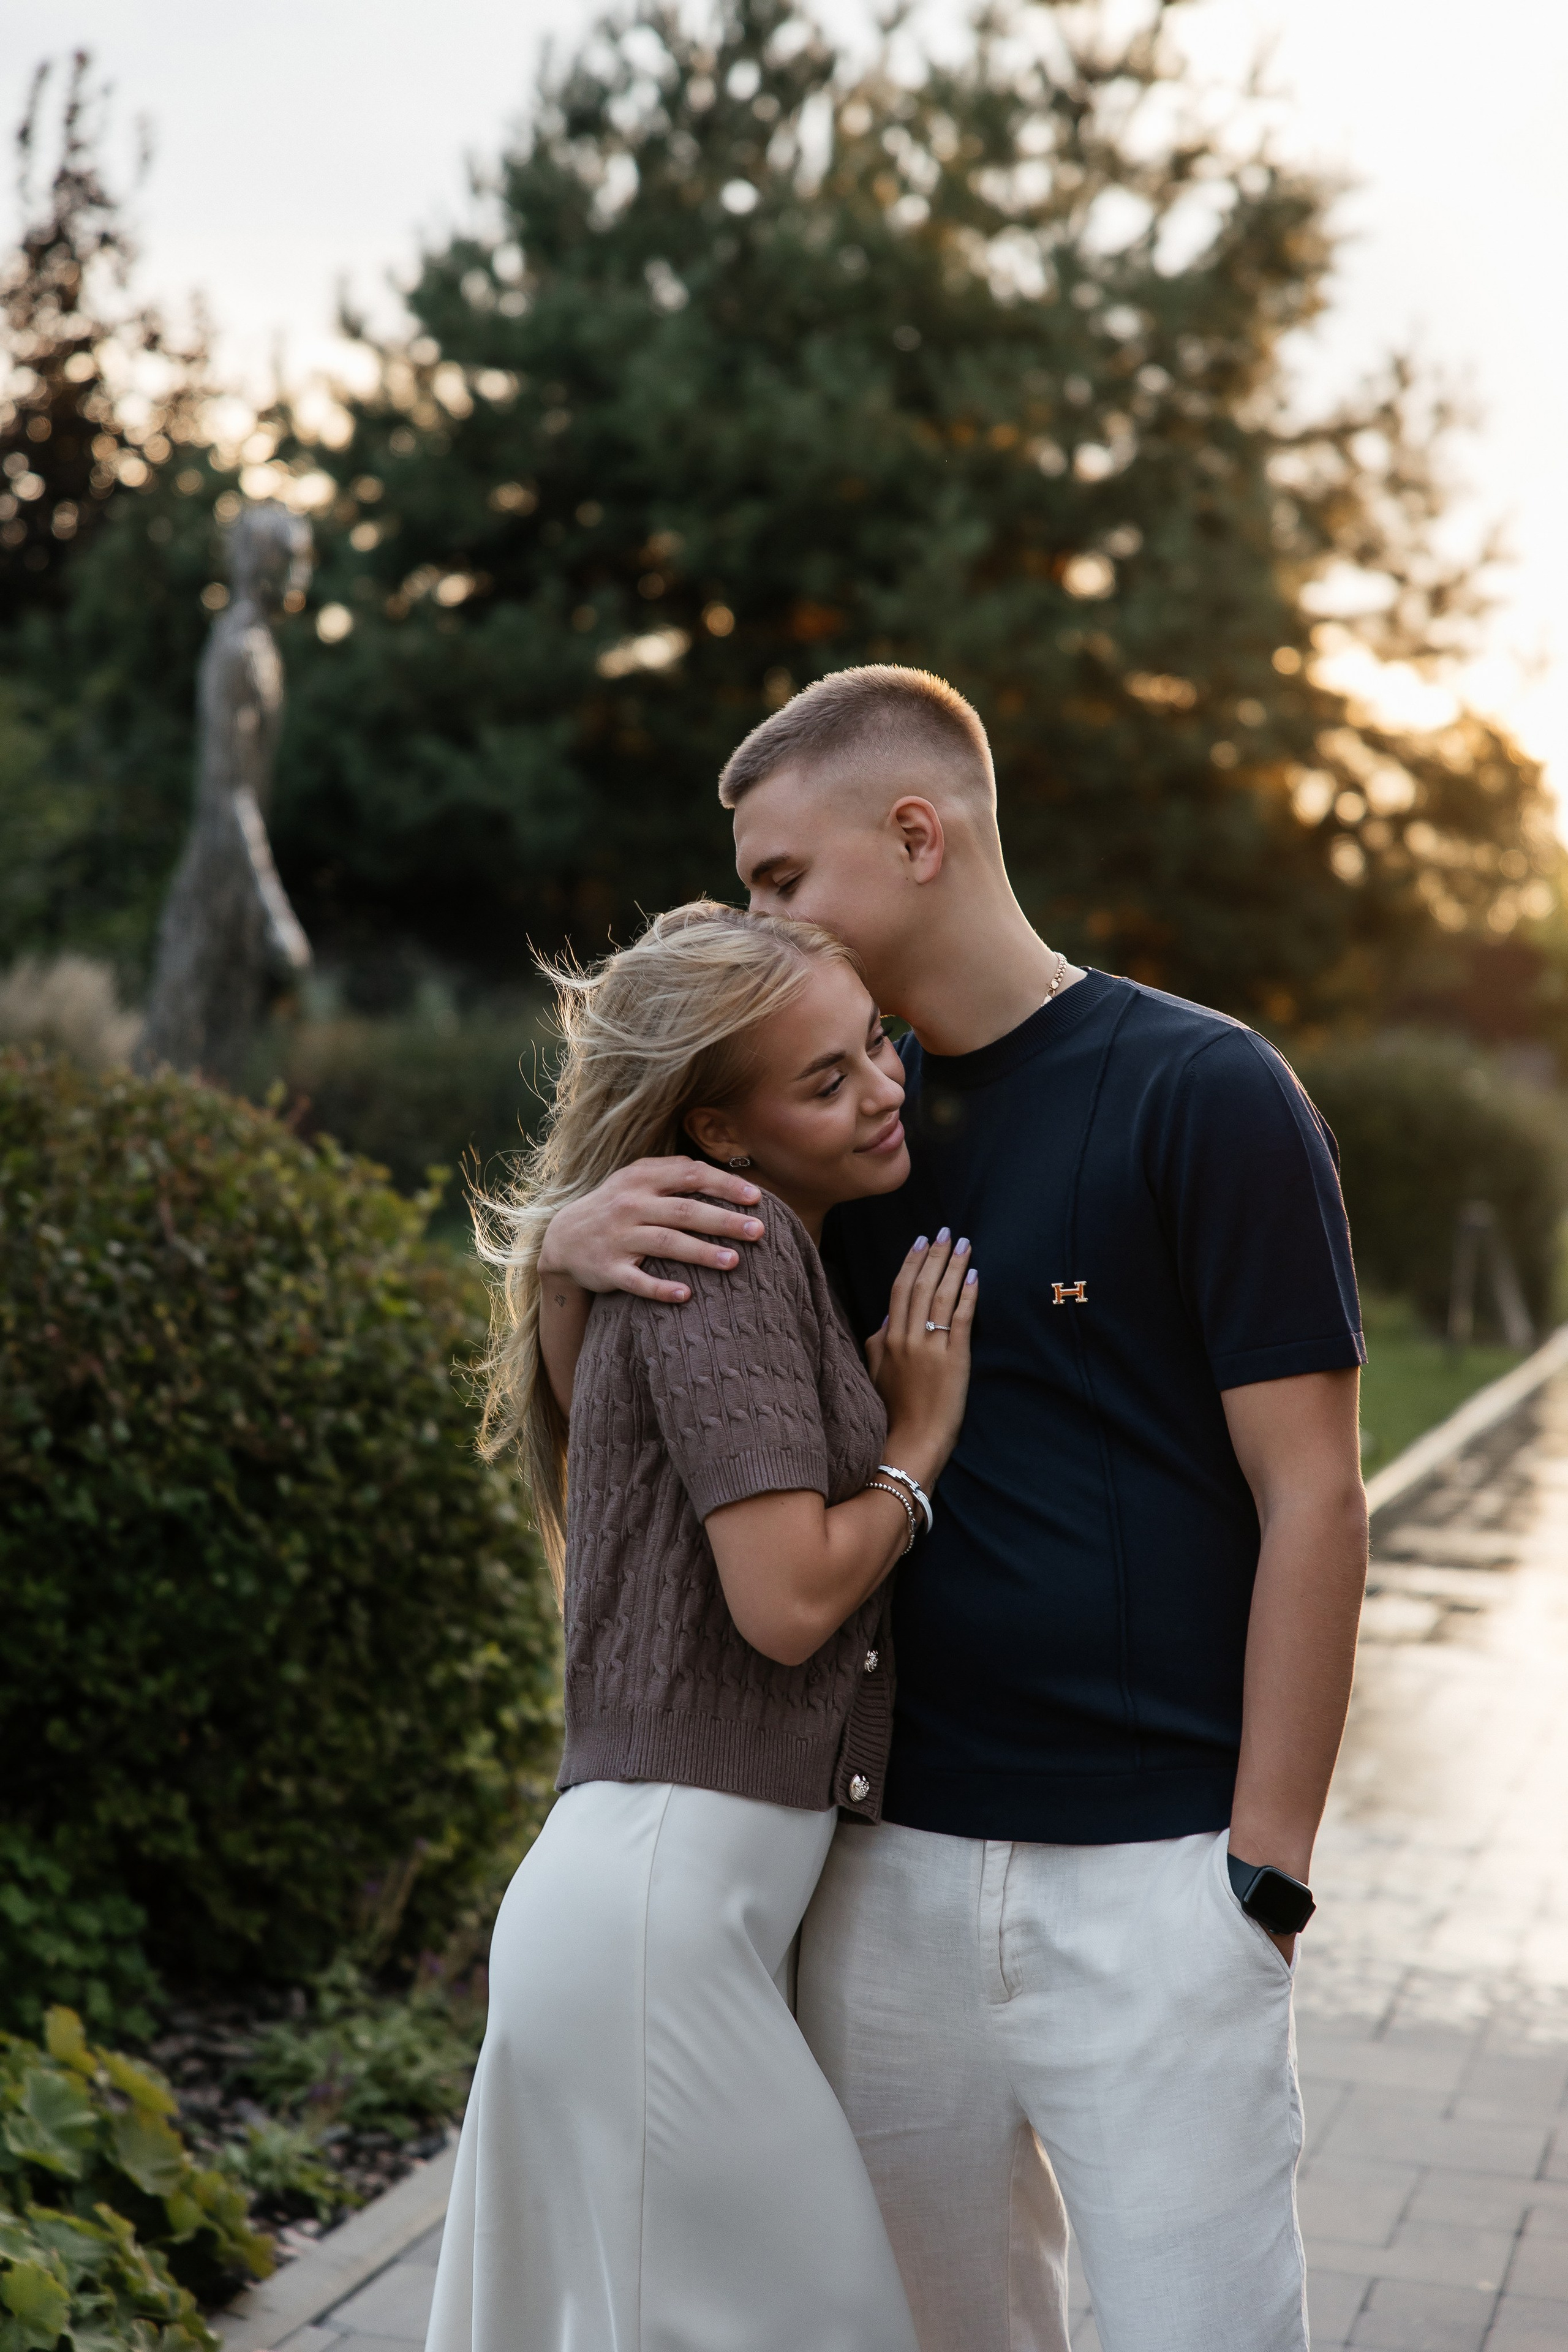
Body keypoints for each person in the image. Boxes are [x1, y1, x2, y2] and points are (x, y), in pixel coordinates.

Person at [538, 666, 1370, 2352]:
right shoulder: (821, 1140)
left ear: (915, 834)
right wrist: (559, 1247)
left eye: (781, 878)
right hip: (876, 1870)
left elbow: (1318, 1498)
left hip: (1155, 1881)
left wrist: (1262, 1878)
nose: (751, 914)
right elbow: (633, 1446)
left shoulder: (1203, 1092)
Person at [424, 899, 977, 2352]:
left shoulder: (698, 1240)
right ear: (721, 1132)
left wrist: (551, 1246)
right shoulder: (726, 1248)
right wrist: (917, 1448)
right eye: (824, 1081)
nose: (879, 1087)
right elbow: (788, 1603)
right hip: (657, 1925)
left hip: (651, 1917)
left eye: (874, 1045)